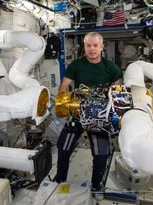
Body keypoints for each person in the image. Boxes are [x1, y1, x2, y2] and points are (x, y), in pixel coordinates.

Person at [53, 32, 122, 191]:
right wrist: (64, 106)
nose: (92, 49)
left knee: (101, 154)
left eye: (95, 45)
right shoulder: (76, 65)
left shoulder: (110, 67)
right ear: (84, 47)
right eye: (88, 45)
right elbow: (64, 87)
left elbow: (119, 90)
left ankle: (96, 185)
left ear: (102, 47)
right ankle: (59, 179)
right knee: (63, 148)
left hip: (98, 116)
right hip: (77, 112)